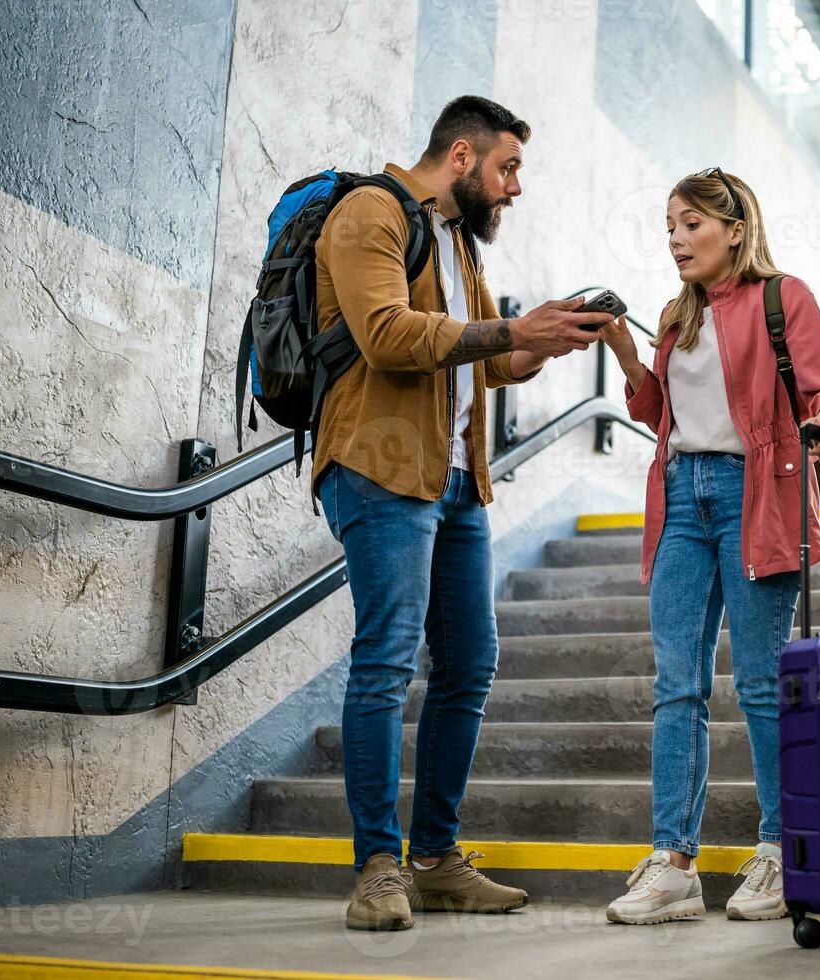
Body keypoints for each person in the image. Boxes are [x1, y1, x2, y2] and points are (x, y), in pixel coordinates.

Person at [311, 95, 613, 931]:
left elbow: (485, 356)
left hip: (453, 481)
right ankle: (377, 868)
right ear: (460, 158)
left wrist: (543, 339)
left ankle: (436, 859)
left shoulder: (454, 244)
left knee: (471, 662)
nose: (514, 188)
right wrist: (504, 331)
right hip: (378, 467)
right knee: (384, 659)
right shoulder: (369, 212)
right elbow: (388, 336)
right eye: (507, 168)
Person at [598, 168, 820, 925]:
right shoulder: (676, 315)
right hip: (681, 495)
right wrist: (624, 349)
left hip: (757, 493)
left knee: (757, 683)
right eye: (670, 227)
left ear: (735, 229)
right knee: (676, 685)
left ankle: (781, 850)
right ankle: (674, 865)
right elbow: (658, 412)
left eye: (691, 225)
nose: (676, 240)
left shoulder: (785, 298)